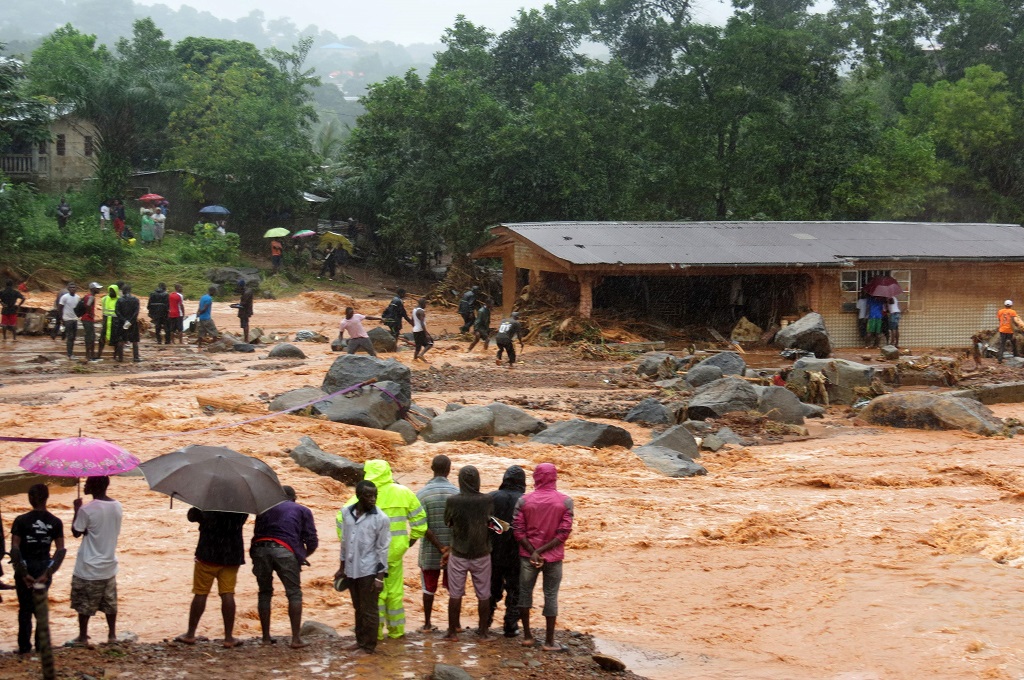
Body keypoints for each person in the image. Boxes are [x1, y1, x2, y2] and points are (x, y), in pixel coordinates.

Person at [337, 460, 426, 640]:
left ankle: (375, 633)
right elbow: (420, 522)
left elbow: (341, 524)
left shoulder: (360, 497)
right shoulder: (403, 492)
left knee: (373, 595)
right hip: (396, 552)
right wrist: (410, 541)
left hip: (369, 557)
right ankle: (396, 631)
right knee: (395, 592)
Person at [512, 463, 573, 652]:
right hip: (553, 557)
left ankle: (528, 636)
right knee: (551, 595)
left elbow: (517, 529)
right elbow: (564, 532)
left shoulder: (524, 500)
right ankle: (549, 641)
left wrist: (533, 551)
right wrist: (543, 551)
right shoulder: (565, 501)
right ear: (554, 477)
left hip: (527, 556)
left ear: (536, 477)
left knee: (525, 593)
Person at [250, 486, 318, 649]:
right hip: (285, 552)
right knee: (294, 593)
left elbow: (257, 533)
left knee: (264, 592)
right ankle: (295, 639)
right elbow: (312, 541)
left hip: (260, 549)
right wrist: (302, 556)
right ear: (294, 498)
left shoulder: (263, 509)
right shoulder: (302, 510)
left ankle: (266, 638)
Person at [175, 508, 246, 648]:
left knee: (200, 593)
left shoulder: (208, 504)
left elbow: (191, 516)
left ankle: (190, 634)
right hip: (231, 554)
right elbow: (238, 523)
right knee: (227, 593)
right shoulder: (241, 506)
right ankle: (228, 637)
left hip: (207, 552)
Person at [10, 484, 66, 655]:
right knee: (40, 607)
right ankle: (41, 646)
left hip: (25, 565)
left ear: (30, 498)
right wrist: (47, 574)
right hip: (44, 566)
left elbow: (15, 548)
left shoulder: (21, 520)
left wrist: (23, 573)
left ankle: (24, 647)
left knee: (25, 608)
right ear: (47, 498)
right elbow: (60, 550)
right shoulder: (55, 521)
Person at [336, 480, 390, 655]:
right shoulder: (346, 513)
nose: (373, 499)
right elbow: (344, 542)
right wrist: (341, 567)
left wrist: (379, 578)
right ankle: (359, 641)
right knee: (358, 607)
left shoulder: (380, 518)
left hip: (369, 570)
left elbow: (383, 549)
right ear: (358, 496)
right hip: (352, 569)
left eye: (375, 495)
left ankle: (368, 646)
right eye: (368, 496)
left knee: (370, 610)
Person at [443, 465, 495, 642]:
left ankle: (452, 632)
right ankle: (483, 633)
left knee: (455, 594)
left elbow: (447, 522)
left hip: (458, 552)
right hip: (482, 553)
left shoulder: (453, 501)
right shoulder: (487, 500)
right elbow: (493, 524)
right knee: (484, 594)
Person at [70, 476, 123, 648]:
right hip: (108, 563)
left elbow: (77, 532)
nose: (84, 485)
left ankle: (83, 636)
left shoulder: (86, 509)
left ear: (94, 486)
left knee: (84, 603)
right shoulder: (117, 506)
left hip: (89, 564)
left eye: (87, 483)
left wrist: (76, 510)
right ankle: (112, 635)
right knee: (109, 603)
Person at [416, 455, 459, 632]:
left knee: (428, 588)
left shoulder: (421, 494)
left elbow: (421, 525)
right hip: (454, 550)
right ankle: (455, 625)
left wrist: (438, 546)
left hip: (430, 550)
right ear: (449, 469)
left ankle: (427, 623)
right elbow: (460, 524)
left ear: (432, 468)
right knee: (454, 588)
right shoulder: (457, 493)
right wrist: (449, 547)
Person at [488, 465, 526, 637]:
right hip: (517, 553)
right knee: (515, 589)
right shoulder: (526, 500)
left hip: (493, 551)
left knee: (490, 588)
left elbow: (485, 523)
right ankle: (511, 626)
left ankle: (485, 622)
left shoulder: (491, 498)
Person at [115, 283, 141, 363]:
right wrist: (130, 321)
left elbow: (117, 311)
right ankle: (136, 357)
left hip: (122, 323)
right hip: (132, 323)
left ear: (123, 291)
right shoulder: (135, 300)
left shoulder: (119, 300)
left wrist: (124, 320)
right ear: (130, 291)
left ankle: (120, 358)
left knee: (121, 340)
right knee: (135, 340)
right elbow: (136, 312)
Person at [57, 282, 81, 360]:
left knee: (73, 337)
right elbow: (60, 308)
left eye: (74, 287)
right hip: (67, 319)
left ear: (76, 289)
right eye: (71, 287)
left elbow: (78, 308)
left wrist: (78, 316)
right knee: (70, 336)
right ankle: (69, 354)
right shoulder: (64, 297)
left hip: (75, 319)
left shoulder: (78, 297)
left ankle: (71, 352)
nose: (73, 289)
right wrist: (61, 318)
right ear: (68, 289)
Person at [80, 283, 102, 362]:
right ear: (93, 289)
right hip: (87, 319)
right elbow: (88, 305)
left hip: (86, 319)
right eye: (97, 288)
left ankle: (91, 355)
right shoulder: (91, 297)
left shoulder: (87, 296)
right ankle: (88, 356)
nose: (99, 290)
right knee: (90, 337)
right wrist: (90, 314)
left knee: (91, 337)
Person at [97, 284, 119, 360]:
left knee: (116, 340)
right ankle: (98, 355)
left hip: (115, 322)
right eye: (110, 291)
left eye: (113, 291)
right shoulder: (105, 299)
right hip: (106, 321)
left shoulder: (119, 300)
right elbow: (103, 310)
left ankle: (115, 356)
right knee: (102, 339)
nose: (111, 292)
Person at [196, 286, 218, 350]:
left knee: (201, 332)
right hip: (207, 318)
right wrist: (200, 312)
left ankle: (199, 345)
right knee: (214, 332)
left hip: (201, 318)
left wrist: (198, 313)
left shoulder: (202, 297)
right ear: (212, 291)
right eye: (215, 292)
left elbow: (199, 307)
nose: (215, 293)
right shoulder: (209, 299)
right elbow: (205, 308)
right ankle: (215, 345)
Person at [412, 298, 433, 362]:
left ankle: (414, 360)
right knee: (430, 343)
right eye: (425, 304)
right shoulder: (421, 311)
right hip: (420, 330)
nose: (426, 306)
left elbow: (412, 320)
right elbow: (422, 323)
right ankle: (421, 354)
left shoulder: (414, 310)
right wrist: (426, 334)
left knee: (418, 348)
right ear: (422, 304)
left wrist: (414, 327)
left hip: (415, 330)